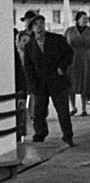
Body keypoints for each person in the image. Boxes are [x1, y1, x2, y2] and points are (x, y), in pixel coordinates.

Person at [23, 15, 75, 146]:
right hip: (40, 84)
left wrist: (62, 67)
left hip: (57, 81)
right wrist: (32, 85)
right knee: (39, 113)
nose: (39, 26)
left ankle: (68, 136)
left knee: (63, 111)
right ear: (32, 28)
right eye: (36, 24)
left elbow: (69, 54)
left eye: (41, 23)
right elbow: (28, 67)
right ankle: (40, 134)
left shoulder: (57, 39)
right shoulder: (30, 45)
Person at [65, 10, 90, 116]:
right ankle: (73, 107)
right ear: (77, 20)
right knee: (71, 84)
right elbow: (64, 47)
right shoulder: (69, 31)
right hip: (72, 61)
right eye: (83, 18)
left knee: (85, 84)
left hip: (88, 60)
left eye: (87, 18)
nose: (85, 20)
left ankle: (84, 108)